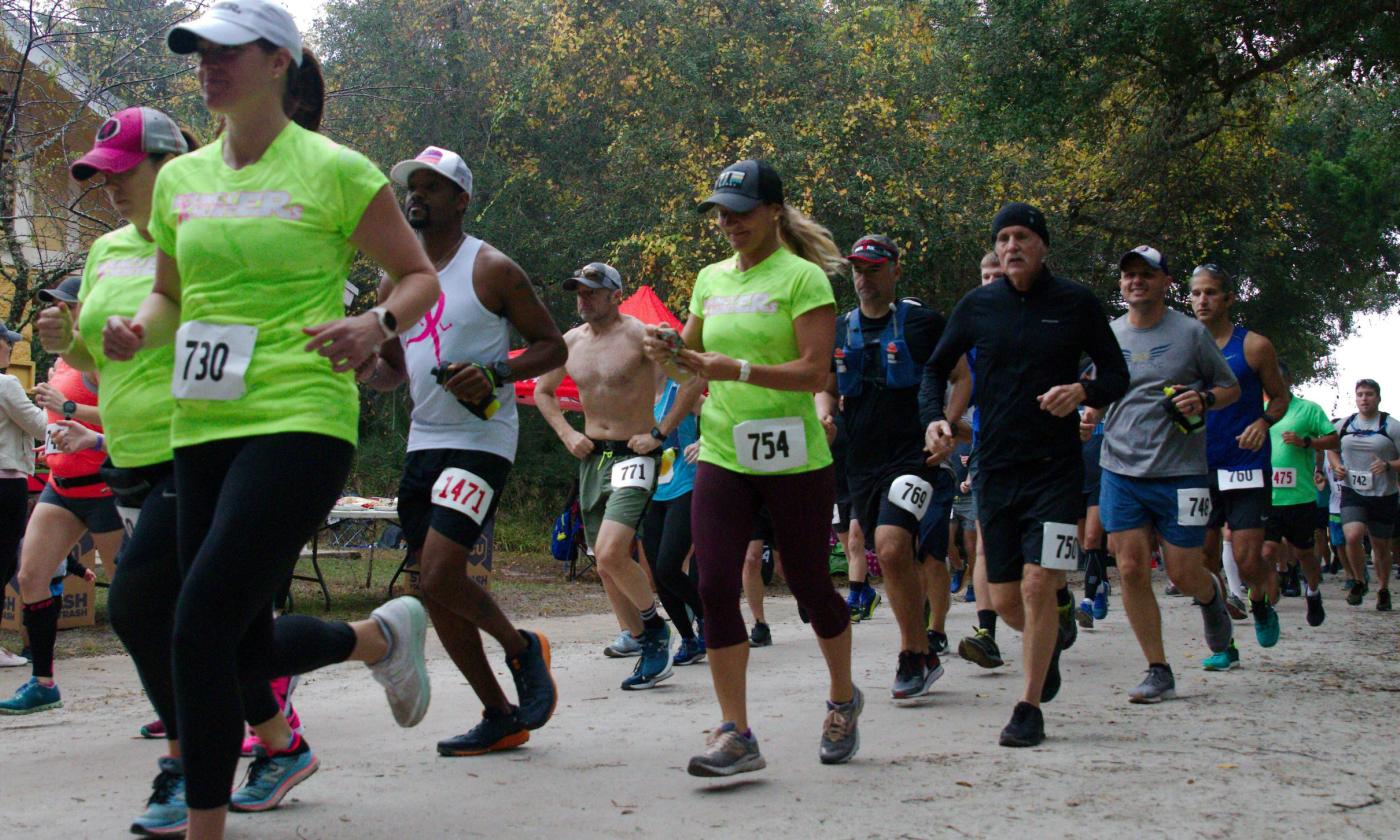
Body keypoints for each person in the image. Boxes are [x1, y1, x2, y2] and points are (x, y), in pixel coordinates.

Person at [100, 5, 441, 837]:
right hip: (202, 424)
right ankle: (378, 641)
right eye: (198, 53)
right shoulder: (181, 179)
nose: (207, 65)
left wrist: (374, 325)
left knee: (198, 622)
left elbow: (417, 277)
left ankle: (203, 826)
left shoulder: (333, 169)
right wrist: (143, 325)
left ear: (278, 60)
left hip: (300, 414)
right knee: (232, 648)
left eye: (225, 51)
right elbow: (174, 291)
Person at [643, 158, 859, 775]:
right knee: (712, 585)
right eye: (720, 212)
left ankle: (843, 699)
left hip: (794, 453)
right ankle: (736, 732)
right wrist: (668, 353)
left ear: (773, 212)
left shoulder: (803, 279)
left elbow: (815, 372)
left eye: (740, 212)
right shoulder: (710, 279)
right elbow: (690, 365)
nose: (728, 222)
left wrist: (730, 369)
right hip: (723, 451)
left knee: (812, 584)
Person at [358, 145, 561, 755]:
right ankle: (499, 713)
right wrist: (363, 364)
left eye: (431, 186)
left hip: (481, 440)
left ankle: (521, 647)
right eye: (410, 186)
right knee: (430, 584)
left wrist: (496, 371)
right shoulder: (394, 280)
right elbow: (395, 371)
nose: (415, 195)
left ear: (461, 199)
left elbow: (553, 348)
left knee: (444, 570)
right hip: (425, 439)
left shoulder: (493, 268)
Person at [922, 202, 1128, 747]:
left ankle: (1028, 706)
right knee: (1009, 598)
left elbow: (1117, 373)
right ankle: (1052, 636)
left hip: (1056, 472)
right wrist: (935, 421)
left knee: (1039, 583)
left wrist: (1083, 391)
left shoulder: (1076, 303)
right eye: (1003, 238)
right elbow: (934, 368)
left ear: (1042, 245)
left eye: (1022, 237)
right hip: (996, 470)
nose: (1011, 246)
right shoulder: (978, 305)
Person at [817, 234, 969, 700]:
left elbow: (962, 375)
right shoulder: (840, 328)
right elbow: (825, 383)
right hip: (862, 461)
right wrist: (824, 412)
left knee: (891, 542)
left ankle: (909, 652)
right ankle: (922, 651)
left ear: (895, 271)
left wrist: (946, 423)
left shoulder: (923, 323)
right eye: (857, 270)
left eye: (874, 268)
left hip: (915, 456)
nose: (864, 278)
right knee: (889, 552)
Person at [1087, 245, 1239, 697]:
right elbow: (1099, 391)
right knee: (1131, 568)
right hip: (1120, 469)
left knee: (1181, 573)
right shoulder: (1108, 335)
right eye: (1129, 275)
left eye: (1146, 275)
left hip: (1182, 472)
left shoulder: (1191, 334)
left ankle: (1210, 595)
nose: (1136, 281)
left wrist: (1205, 399)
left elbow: (1229, 387)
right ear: (1121, 285)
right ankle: (1158, 668)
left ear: (1166, 282)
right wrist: (1088, 415)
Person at [536, 262, 673, 690]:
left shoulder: (641, 335)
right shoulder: (570, 342)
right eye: (578, 290)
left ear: (616, 295)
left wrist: (659, 433)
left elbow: (690, 381)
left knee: (614, 551)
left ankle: (656, 634)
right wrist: (566, 433)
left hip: (635, 453)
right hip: (593, 456)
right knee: (602, 559)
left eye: (592, 291)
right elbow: (543, 390)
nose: (583, 298)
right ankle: (636, 635)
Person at [0, 336, 124, 716]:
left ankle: (173, 690)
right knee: (32, 577)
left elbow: (127, 417)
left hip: (104, 488)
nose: (51, 320)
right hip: (60, 487)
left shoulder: (100, 360)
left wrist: (67, 406)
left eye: (62, 308)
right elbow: (53, 425)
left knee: (134, 595)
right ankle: (42, 683)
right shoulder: (61, 365)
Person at [1190, 264, 1292, 647]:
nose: (1202, 300)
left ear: (1229, 298)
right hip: (1195, 466)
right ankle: (1221, 639)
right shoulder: (1183, 344)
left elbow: (1280, 397)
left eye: (1211, 292)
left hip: (1245, 466)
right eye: (1197, 293)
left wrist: (1264, 422)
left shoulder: (1254, 346)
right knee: (1199, 561)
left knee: (1248, 561)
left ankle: (1261, 603)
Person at [639, 371, 706, 666]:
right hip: (652, 492)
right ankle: (689, 640)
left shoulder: (681, 390)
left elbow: (720, 416)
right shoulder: (637, 400)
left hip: (686, 486)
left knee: (668, 566)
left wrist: (705, 440)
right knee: (658, 577)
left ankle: (709, 618)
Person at [1266, 365, 1338, 626]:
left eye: (1279, 378)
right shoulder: (1257, 412)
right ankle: (1264, 601)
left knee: (1304, 553)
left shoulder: (1308, 409)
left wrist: (1306, 442)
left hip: (1300, 497)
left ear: (1289, 379)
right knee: (1267, 550)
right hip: (1267, 496)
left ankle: (1313, 591)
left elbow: (1333, 440)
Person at [1321, 379, 1399, 610]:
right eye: (1360, 394)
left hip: (1383, 493)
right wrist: (1336, 466)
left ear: (1378, 398)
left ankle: (1383, 589)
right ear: (1355, 399)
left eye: (1369, 394)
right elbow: (1331, 449)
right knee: (1352, 536)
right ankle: (1358, 579)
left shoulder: (1391, 426)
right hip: (1352, 490)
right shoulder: (1344, 425)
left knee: (1381, 546)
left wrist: (1388, 465)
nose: (1364, 399)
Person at [0, 327, 47, 669]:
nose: (13, 350)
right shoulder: (6, 385)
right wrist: (59, 407)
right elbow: (38, 424)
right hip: (6, 483)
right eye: (9, 344)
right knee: (2, 565)